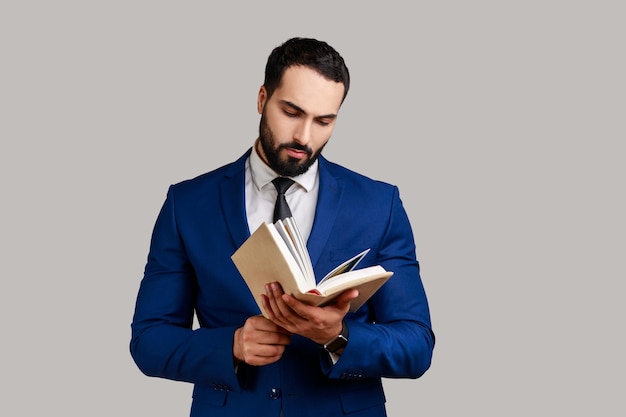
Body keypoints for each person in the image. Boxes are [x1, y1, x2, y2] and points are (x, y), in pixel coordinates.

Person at [130, 37, 435, 417]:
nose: (304, 138)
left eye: (324, 121)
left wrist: (338, 337)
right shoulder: (187, 203)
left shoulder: (379, 204)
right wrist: (233, 346)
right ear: (262, 99)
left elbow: (417, 345)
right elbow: (149, 340)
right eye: (291, 112)